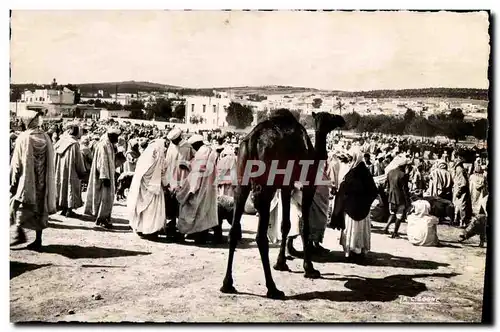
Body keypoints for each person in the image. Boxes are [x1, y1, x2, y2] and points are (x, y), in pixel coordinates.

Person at [10, 111, 56, 250]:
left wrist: (13, 181)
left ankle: (19, 232)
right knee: (39, 210)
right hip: (43, 183)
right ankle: (38, 239)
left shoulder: (24, 138)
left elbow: (17, 163)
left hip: (27, 180)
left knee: (18, 205)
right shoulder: (46, 137)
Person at [329, 147, 377, 262]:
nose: (349, 160)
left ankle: (357, 253)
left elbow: (371, 190)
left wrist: (362, 201)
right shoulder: (354, 170)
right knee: (353, 230)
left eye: (351, 158)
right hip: (352, 207)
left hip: (357, 207)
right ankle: (353, 252)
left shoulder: (360, 172)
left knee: (356, 230)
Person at [176, 134, 219, 244]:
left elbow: (197, 173)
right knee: (204, 212)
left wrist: (189, 189)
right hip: (209, 186)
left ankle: (191, 234)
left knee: (191, 209)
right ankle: (202, 235)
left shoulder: (202, 153)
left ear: (197, 144)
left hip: (200, 187)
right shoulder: (210, 151)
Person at [128, 139, 169, 239]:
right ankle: (151, 231)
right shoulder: (159, 156)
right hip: (155, 187)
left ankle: (141, 229)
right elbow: (163, 171)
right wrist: (167, 185)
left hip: (142, 187)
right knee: (153, 210)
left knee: (143, 209)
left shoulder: (145, 155)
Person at [84, 127, 121, 228]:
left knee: (108, 198)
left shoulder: (110, 145)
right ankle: (101, 219)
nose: (117, 139)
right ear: (111, 135)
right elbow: (102, 162)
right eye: (116, 137)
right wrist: (105, 177)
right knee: (104, 199)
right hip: (104, 176)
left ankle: (105, 218)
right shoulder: (103, 145)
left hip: (108, 175)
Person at [164, 127, 194, 240]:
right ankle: (170, 226)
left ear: (179, 138)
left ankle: (182, 229)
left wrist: (186, 164)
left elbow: (195, 160)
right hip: (171, 179)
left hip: (183, 179)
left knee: (182, 204)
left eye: (174, 141)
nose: (173, 143)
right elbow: (167, 162)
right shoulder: (171, 147)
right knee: (171, 203)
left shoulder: (187, 147)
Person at [54, 123, 87, 218]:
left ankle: (63, 208)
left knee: (62, 188)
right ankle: (69, 210)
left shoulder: (61, 141)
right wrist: (81, 171)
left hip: (60, 170)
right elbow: (78, 160)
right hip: (71, 170)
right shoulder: (74, 144)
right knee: (71, 187)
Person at [383, 156, 411, 238]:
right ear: (404, 166)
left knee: (392, 213)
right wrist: (408, 201)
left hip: (391, 196)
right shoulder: (403, 175)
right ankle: (395, 232)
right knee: (399, 215)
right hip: (400, 198)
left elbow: (386, 185)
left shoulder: (390, 172)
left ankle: (386, 228)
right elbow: (404, 189)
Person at [452, 154, 472, 228]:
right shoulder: (459, 168)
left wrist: (459, 191)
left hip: (461, 190)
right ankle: (457, 220)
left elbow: (463, 183)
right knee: (458, 205)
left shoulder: (459, 169)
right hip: (458, 189)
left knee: (461, 206)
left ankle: (462, 222)